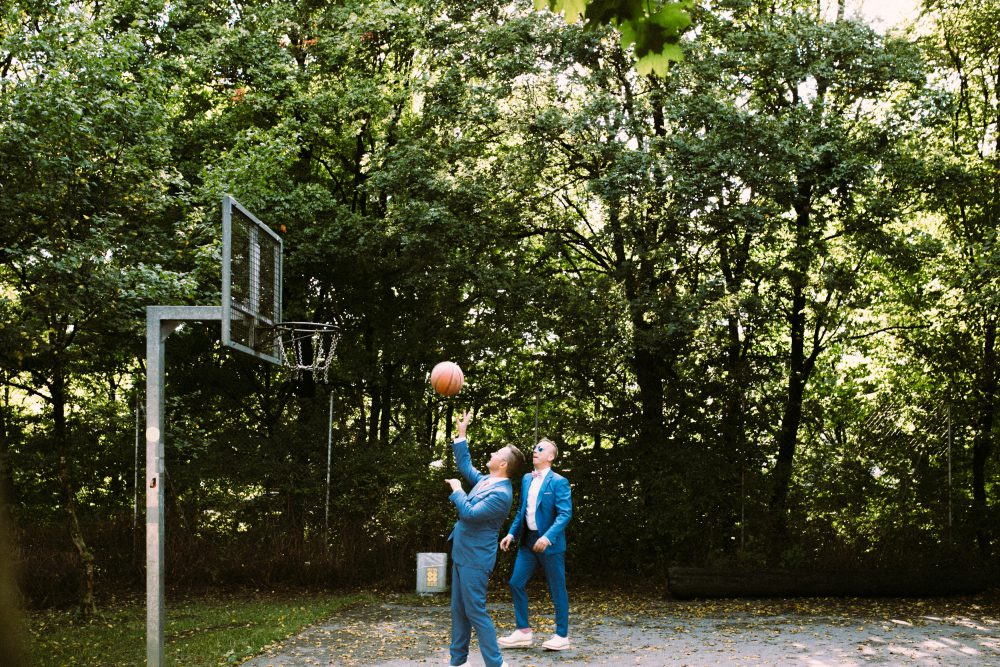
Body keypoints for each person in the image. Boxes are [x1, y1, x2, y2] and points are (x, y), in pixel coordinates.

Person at [445, 410, 525, 667]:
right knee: (459, 610)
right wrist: (462, 435)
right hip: (462, 553)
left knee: (475, 611)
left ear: (503, 465)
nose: (492, 453)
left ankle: (497, 664)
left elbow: (469, 514)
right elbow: (465, 467)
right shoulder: (487, 480)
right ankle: (458, 662)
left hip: (476, 559)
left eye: (497, 453)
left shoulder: (502, 494)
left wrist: (458, 490)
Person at [497, 437, 573, 651]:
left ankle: (562, 636)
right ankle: (523, 632)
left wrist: (547, 537)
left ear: (550, 457)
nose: (535, 450)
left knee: (557, 588)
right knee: (516, 582)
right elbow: (522, 510)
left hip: (550, 544)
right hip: (527, 542)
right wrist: (511, 534)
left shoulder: (559, 481)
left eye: (541, 449)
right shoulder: (526, 479)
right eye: (535, 448)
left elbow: (565, 514)